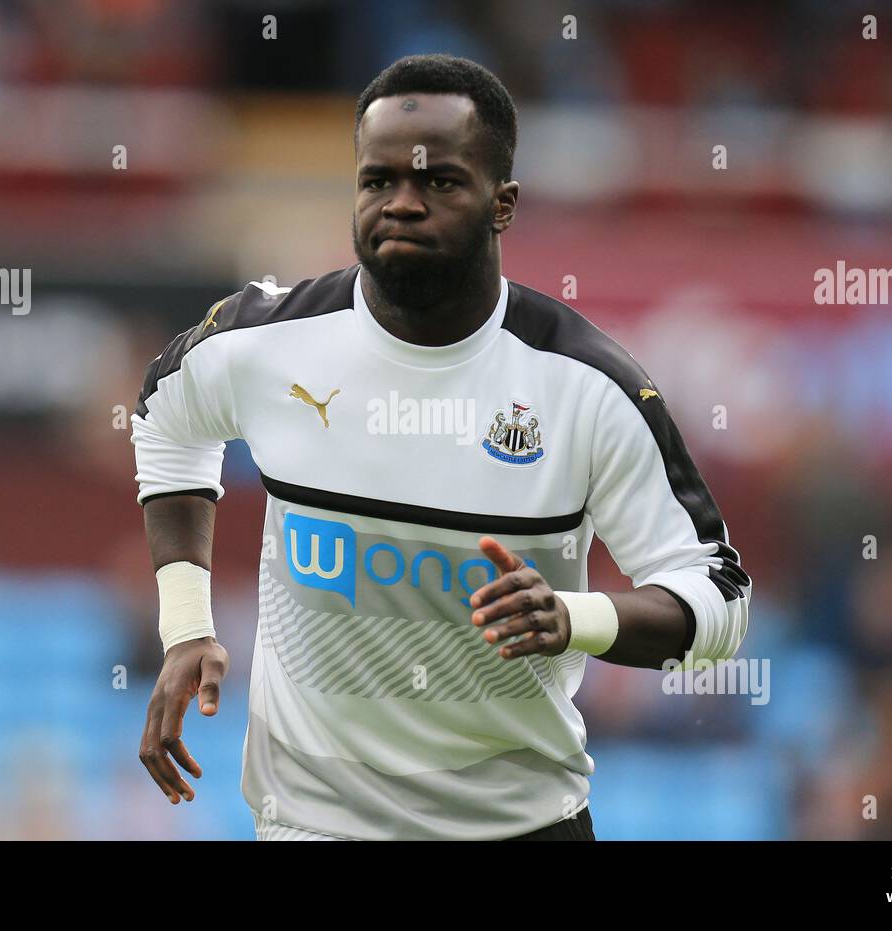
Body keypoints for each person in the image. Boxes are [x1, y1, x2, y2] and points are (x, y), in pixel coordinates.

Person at [131, 53, 751, 841]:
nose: (403, 205)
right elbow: (163, 416)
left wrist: (575, 616)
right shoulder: (268, 341)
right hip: (314, 825)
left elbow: (719, 598)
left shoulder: (586, 385)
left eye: (440, 183)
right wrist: (186, 623)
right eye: (377, 181)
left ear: (503, 203)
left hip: (522, 824)